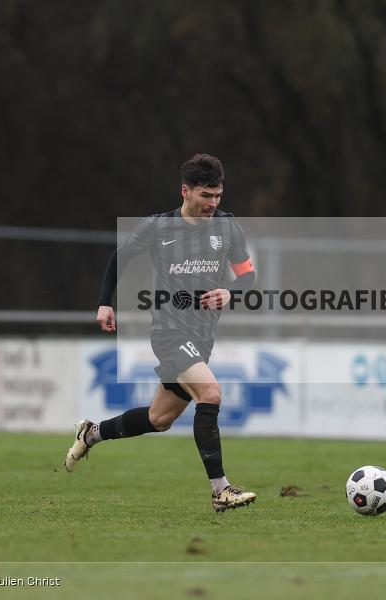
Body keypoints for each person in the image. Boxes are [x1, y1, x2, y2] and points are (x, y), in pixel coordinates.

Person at [64, 154, 258, 512]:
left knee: (160, 419)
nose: (213, 203)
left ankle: (91, 433)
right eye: (205, 195)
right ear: (185, 191)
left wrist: (233, 292)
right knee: (211, 394)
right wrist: (105, 302)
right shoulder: (158, 227)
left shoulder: (228, 228)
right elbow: (120, 258)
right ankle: (221, 490)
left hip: (202, 338)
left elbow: (247, 276)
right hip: (169, 332)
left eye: (218, 195)